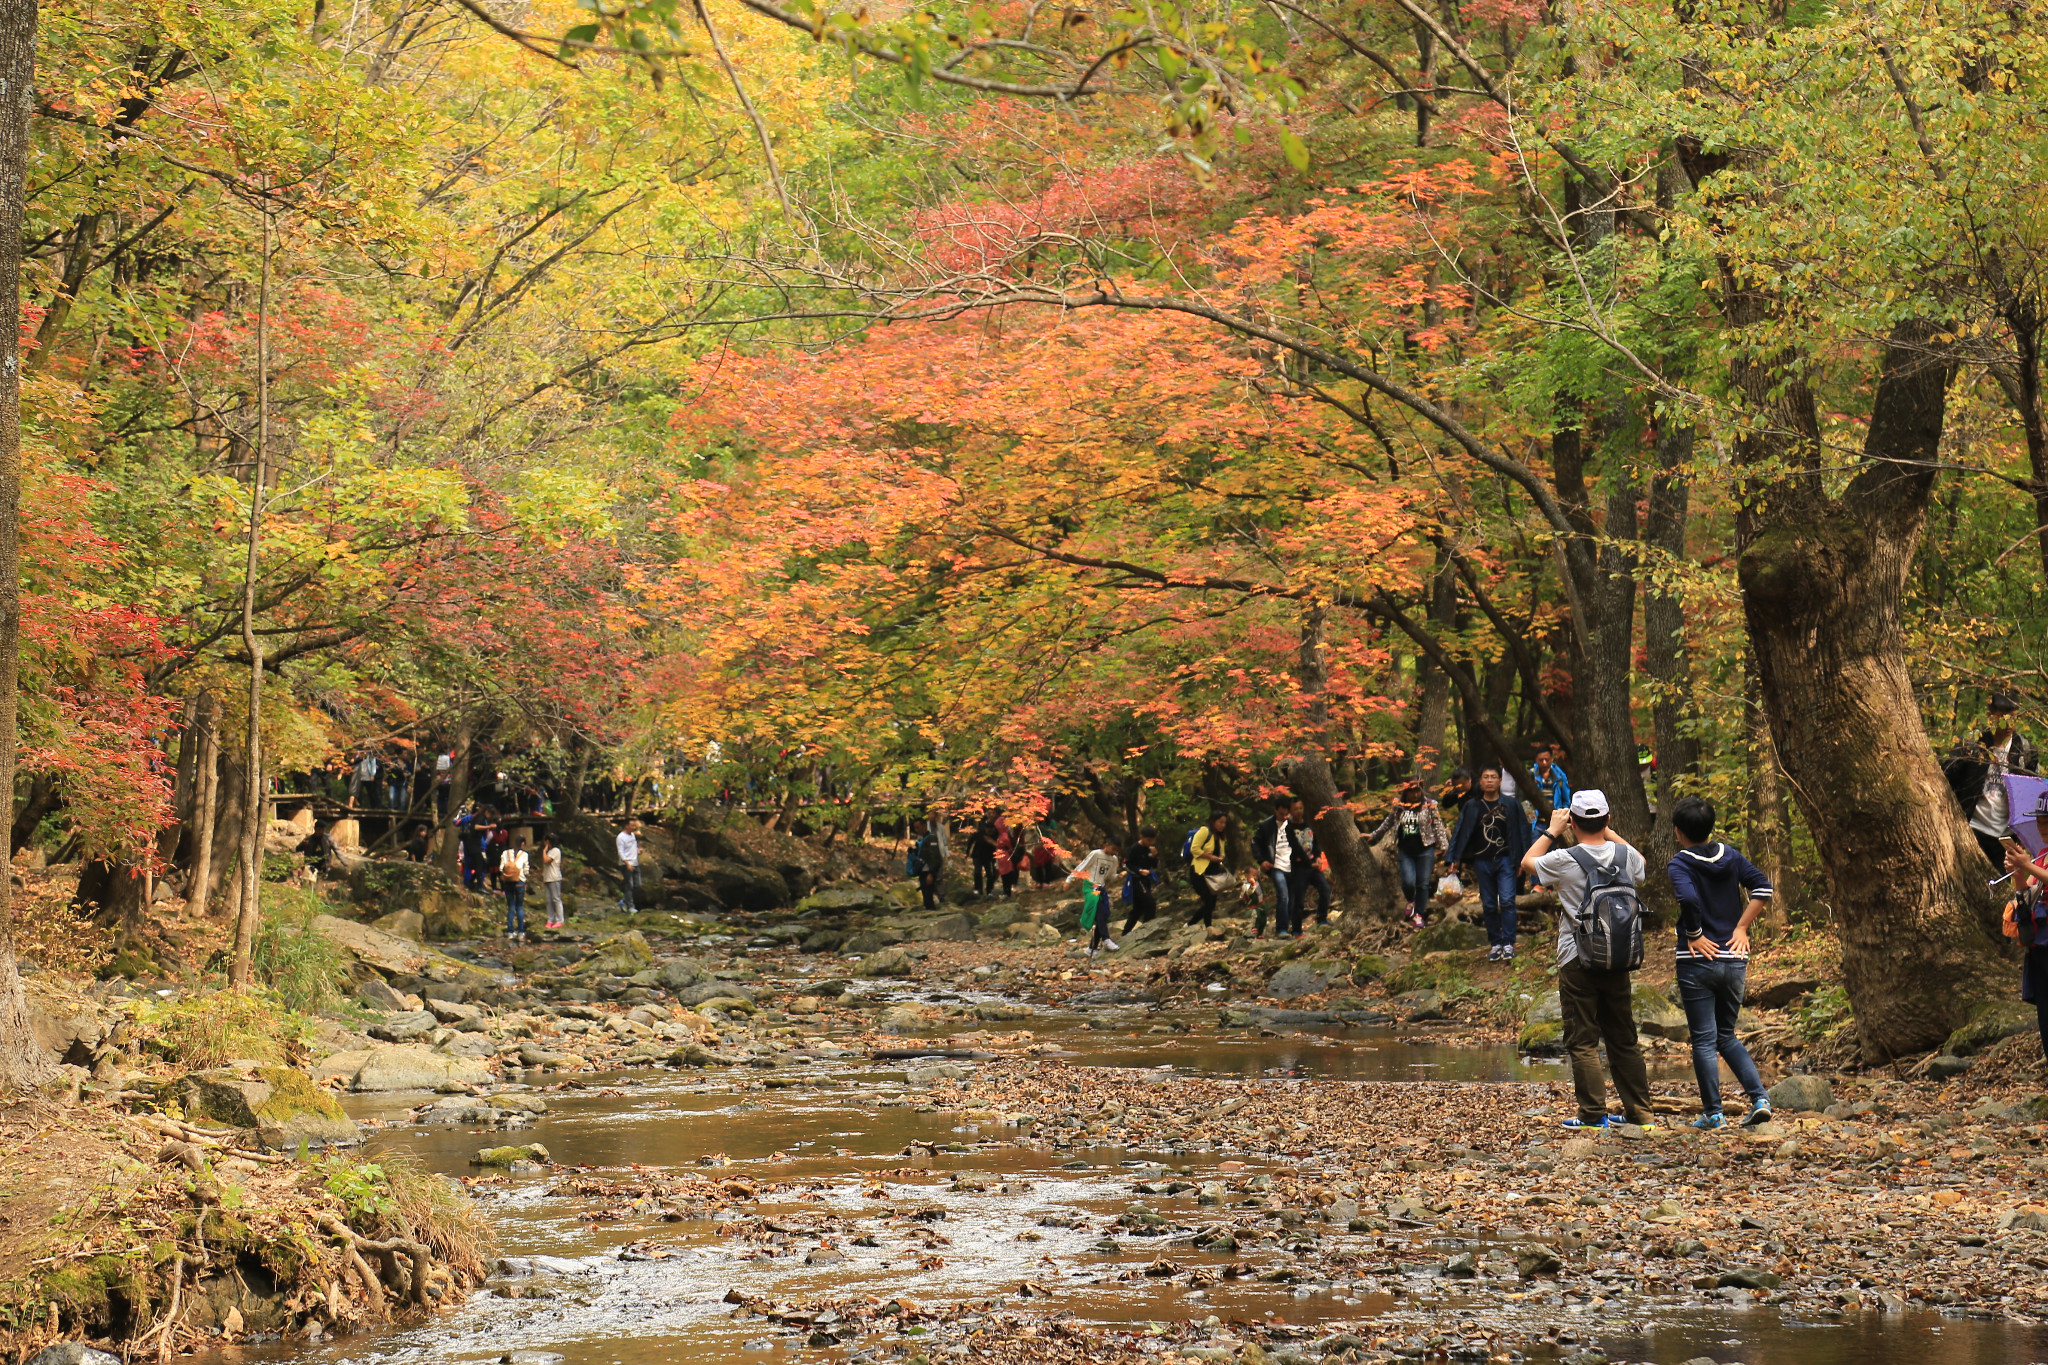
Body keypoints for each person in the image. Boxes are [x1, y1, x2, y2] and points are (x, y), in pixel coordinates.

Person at [1521, 789, 1656, 1130]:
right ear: (1608, 819)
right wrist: (1607, 832)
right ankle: (1641, 1114)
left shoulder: (1565, 859)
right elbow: (1640, 861)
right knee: (1623, 1038)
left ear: (1573, 823)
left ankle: (1594, 1114)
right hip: (1619, 956)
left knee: (1582, 1040)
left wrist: (1552, 829)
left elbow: (1527, 863)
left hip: (1576, 957)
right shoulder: (1625, 857)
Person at [1668, 795, 1775, 1129]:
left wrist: (1694, 932)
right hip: (1733, 958)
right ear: (1711, 827)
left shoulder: (1680, 863)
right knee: (1726, 1035)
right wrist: (1741, 927)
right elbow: (1763, 888)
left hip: (1696, 960)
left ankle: (1713, 1113)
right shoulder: (1731, 855)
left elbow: (1686, 897)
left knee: (1703, 1039)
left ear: (1677, 832)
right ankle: (1759, 1098)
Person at [1447, 764, 1531, 960]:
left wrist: (1523, 860)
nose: (1490, 780)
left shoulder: (1511, 805)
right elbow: (1461, 833)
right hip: (1482, 861)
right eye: (1486, 777)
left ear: (1500, 781)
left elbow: (1522, 831)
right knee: (1489, 904)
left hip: (1506, 860)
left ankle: (1509, 943)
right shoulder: (1472, 806)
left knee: (1508, 900)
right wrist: (1454, 859)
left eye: (1494, 777)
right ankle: (1495, 943)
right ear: (1480, 781)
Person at [2002, 792, 2048, 1066]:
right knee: (2045, 1006)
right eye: (2040, 821)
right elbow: (2027, 893)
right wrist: (2019, 873)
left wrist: (2026, 864)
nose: (2042, 827)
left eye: (2047, 821)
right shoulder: (2042, 855)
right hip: (2039, 941)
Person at [1968, 693, 2039, 870]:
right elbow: (1952, 780)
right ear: (1991, 716)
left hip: (2005, 837)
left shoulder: (2024, 750)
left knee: (1998, 887)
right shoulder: (1973, 744)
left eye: (2013, 717)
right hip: (1973, 829)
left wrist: (2024, 835)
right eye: (2002, 718)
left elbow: (2032, 794)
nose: (2009, 724)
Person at [1370, 780, 1449, 929]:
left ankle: (1418, 914)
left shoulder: (1430, 804)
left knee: (1423, 884)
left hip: (1425, 849)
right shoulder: (1399, 806)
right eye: (1412, 791)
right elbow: (1388, 822)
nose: (1415, 794)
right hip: (1405, 850)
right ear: (1406, 792)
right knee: (1408, 882)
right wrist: (1374, 835)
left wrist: (1444, 846)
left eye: (1418, 791)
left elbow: (1438, 825)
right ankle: (1410, 901)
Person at [1252, 796, 1305, 938]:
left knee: (1294, 897)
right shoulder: (1266, 826)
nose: (1284, 817)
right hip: (1277, 866)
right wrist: (1262, 860)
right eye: (1281, 814)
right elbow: (1255, 843)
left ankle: (1294, 929)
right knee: (1283, 895)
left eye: (1287, 814)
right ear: (1275, 810)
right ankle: (1281, 930)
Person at [1067, 833, 1124, 954]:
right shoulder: (1096, 854)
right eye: (1113, 849)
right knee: (1099, 912)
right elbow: (1082, 866)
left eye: (1117, 850)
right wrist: (1069, 879)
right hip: (1090, 886)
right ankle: (1106, 939)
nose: (1114, 852)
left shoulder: (1114, 860)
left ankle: (1091, 948)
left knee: (1102, 915)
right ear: (1106, 844)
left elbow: (1110, 876)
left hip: (1101, 888)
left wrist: (1119, 876)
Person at [1290, 798, 1337, 927]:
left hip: (1313, 865)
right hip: (1298, 867)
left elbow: (1316, 842)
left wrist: (1317, 857)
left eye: (1300, 808)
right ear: (1290, 811)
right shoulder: (1288, 828)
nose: (1299, 811)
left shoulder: (1309, 824)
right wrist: (1309, 862)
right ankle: (1296, 928)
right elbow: (1294, 850)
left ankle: (1322, 919)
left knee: (1325, 889)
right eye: (1295, 809)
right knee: (1299, 898)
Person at [1187, 812, 1230, 927]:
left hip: (1213, 873)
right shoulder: (1204, 831)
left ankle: (1192, 924)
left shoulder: (1221, 836)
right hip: (1199, 872)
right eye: (1220, 822)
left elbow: (1222, 852)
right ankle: (1207, 926)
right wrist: (1210, 857)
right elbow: (1194, 849)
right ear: (1213, 821)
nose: (1222, 825)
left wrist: (1221, 857)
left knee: (1212, 903)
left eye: (1224, 823)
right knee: (1207, 900)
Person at [1122, 826, 1160, 936]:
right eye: (1149, 840)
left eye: (1153, 840)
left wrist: (1154, 856)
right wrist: (1138, 871)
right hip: (1136, 880)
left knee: (1138, 909)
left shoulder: (1152, 848)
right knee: (1150, 904)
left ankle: (1125, 933)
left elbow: (1155, 865)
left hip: (1146, 879)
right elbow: (1126, 864)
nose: (1151, 842)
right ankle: (1147, 929)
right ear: (1142, 837)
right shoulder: (1134, 848)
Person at [1529, 744, 1572, 837]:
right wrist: (1531, 820)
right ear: (1536, 760)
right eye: (1541, 760)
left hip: (1555, 823)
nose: (1544, 763)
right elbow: (1524, 800)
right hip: (1536, 824)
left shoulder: (1560, 776)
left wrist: (1562, 818)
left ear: (1552, 759)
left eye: (1547, 759)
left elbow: (1566, 800)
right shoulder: (1531, 775)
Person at [908, 817, 944, 913]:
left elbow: (935, 857)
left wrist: (931, 874)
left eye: (918, 827)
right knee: (926, 896)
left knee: (929, 896)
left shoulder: (931, 838)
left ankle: (932, 914)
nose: (916, 830)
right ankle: (929, 912)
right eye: (915, 828)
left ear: (924, 826)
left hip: (928, 872)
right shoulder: (922, 840)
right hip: (922, 872)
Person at [500, 834, 531, 942]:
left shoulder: (505, 853)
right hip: (520, 882)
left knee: (511, 906)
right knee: (520, 906)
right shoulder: (525, 854)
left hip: (508, 883)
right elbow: (526, 870)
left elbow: (501, 868)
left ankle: (510, 932)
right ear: (522, 843)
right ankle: (521, 932)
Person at [538, 834, 566, 930]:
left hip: (554, 878)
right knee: (549, 900)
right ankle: (550, 919)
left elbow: (546, 860)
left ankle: (560, 920)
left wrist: (544, 851)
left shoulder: (555, 851)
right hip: (548, 878)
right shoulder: (550, 851)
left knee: (556, 899)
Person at [969, 816, 1001, 900]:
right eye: (988, 830)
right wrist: (967, 852)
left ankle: (989, 890)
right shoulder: (979, 833)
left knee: (990, 874)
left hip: (989, 856)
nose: (990, 832)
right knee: (977, 872)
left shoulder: (995, 834)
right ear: (985, 829)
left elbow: (997, 845)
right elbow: (971, 840)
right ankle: (977, 889)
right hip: (977, 855)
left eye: (991, 830)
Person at [617, 817, 643, 912]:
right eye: (632, 825)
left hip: (635, 863)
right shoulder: (621, 837)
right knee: (629, 885)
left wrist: (637, 851)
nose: (634, 827)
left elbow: (631, 848)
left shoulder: (632, 835)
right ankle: (630, 907)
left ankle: (624, 901)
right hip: (626, 864)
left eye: (635, 825)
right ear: (627, 826)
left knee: (638, 885)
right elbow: (621, 852)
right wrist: (627, 863)